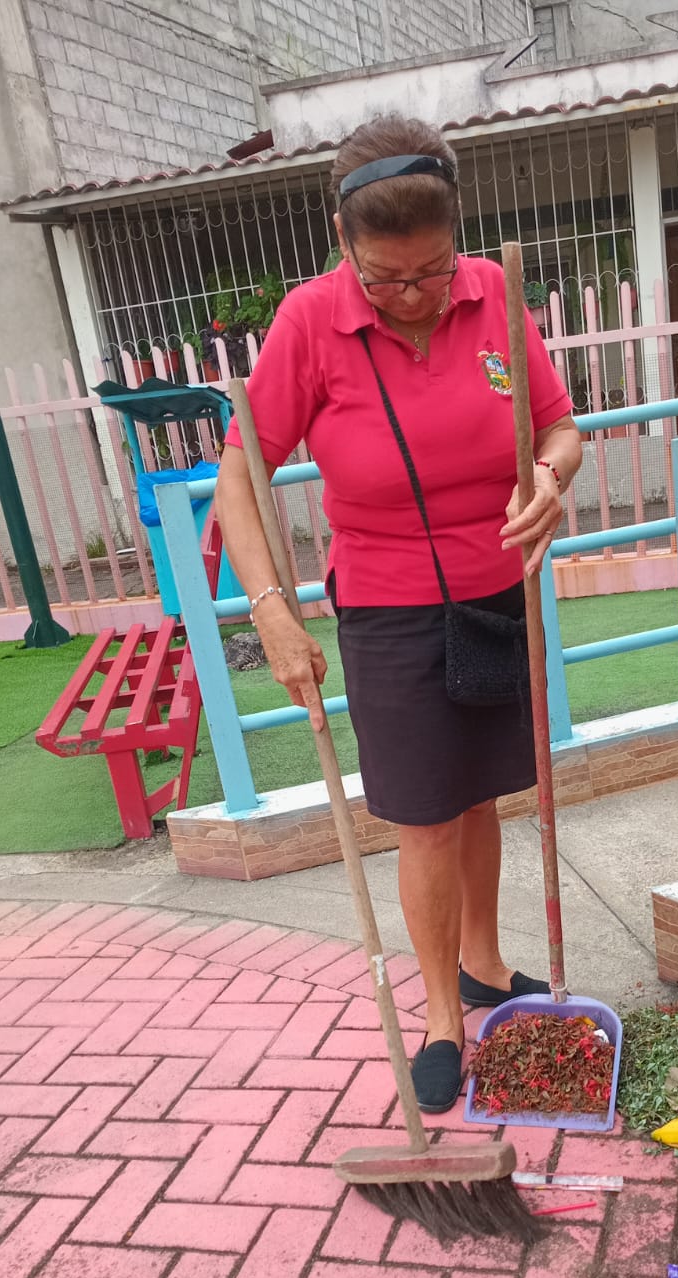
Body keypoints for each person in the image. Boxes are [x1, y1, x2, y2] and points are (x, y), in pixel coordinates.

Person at [215, 114, 583, 1114]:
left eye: (431, 270)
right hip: (387, 606)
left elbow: (559, 424)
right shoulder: (310, 323)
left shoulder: (494, 290)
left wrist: (550, 477)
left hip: (497, 592)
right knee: (424, 817)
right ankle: (441, 1017)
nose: (414, 295)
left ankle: (485, 964)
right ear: (344, 242)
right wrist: (271, 611)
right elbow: (240, 475)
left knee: (481, 796)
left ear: (456, 237)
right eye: (387, 277)